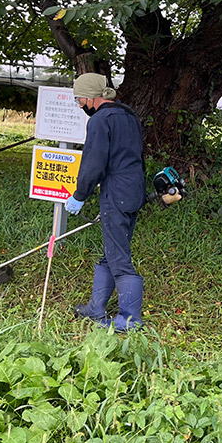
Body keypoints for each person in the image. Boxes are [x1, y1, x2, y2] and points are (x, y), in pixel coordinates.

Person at [64, 73, 147, 332]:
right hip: (134, 188)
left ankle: (129, 320)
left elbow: (94, 162)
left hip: (116, 192)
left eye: (79, 100)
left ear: (91, 97)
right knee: (112, 249)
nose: (79, 105)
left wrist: (80, 194)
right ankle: (96, 307)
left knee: (119, 256)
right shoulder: (128, 114)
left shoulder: (100, 120)